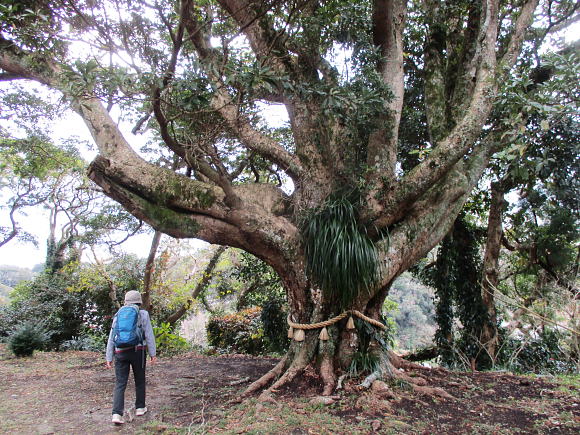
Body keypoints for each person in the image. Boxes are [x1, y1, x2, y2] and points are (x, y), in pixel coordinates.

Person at [105, 290, 157, 425]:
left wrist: (109, 356)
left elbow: (112, 336)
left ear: (126, 301)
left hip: (120, 352)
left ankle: (116, 414)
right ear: (139, 301)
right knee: (139, 380)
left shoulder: (118, 315)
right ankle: (140, 407)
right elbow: (149, 335)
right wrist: (152, 354)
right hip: (137, 351)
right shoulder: (143, 314)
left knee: (120, 383)